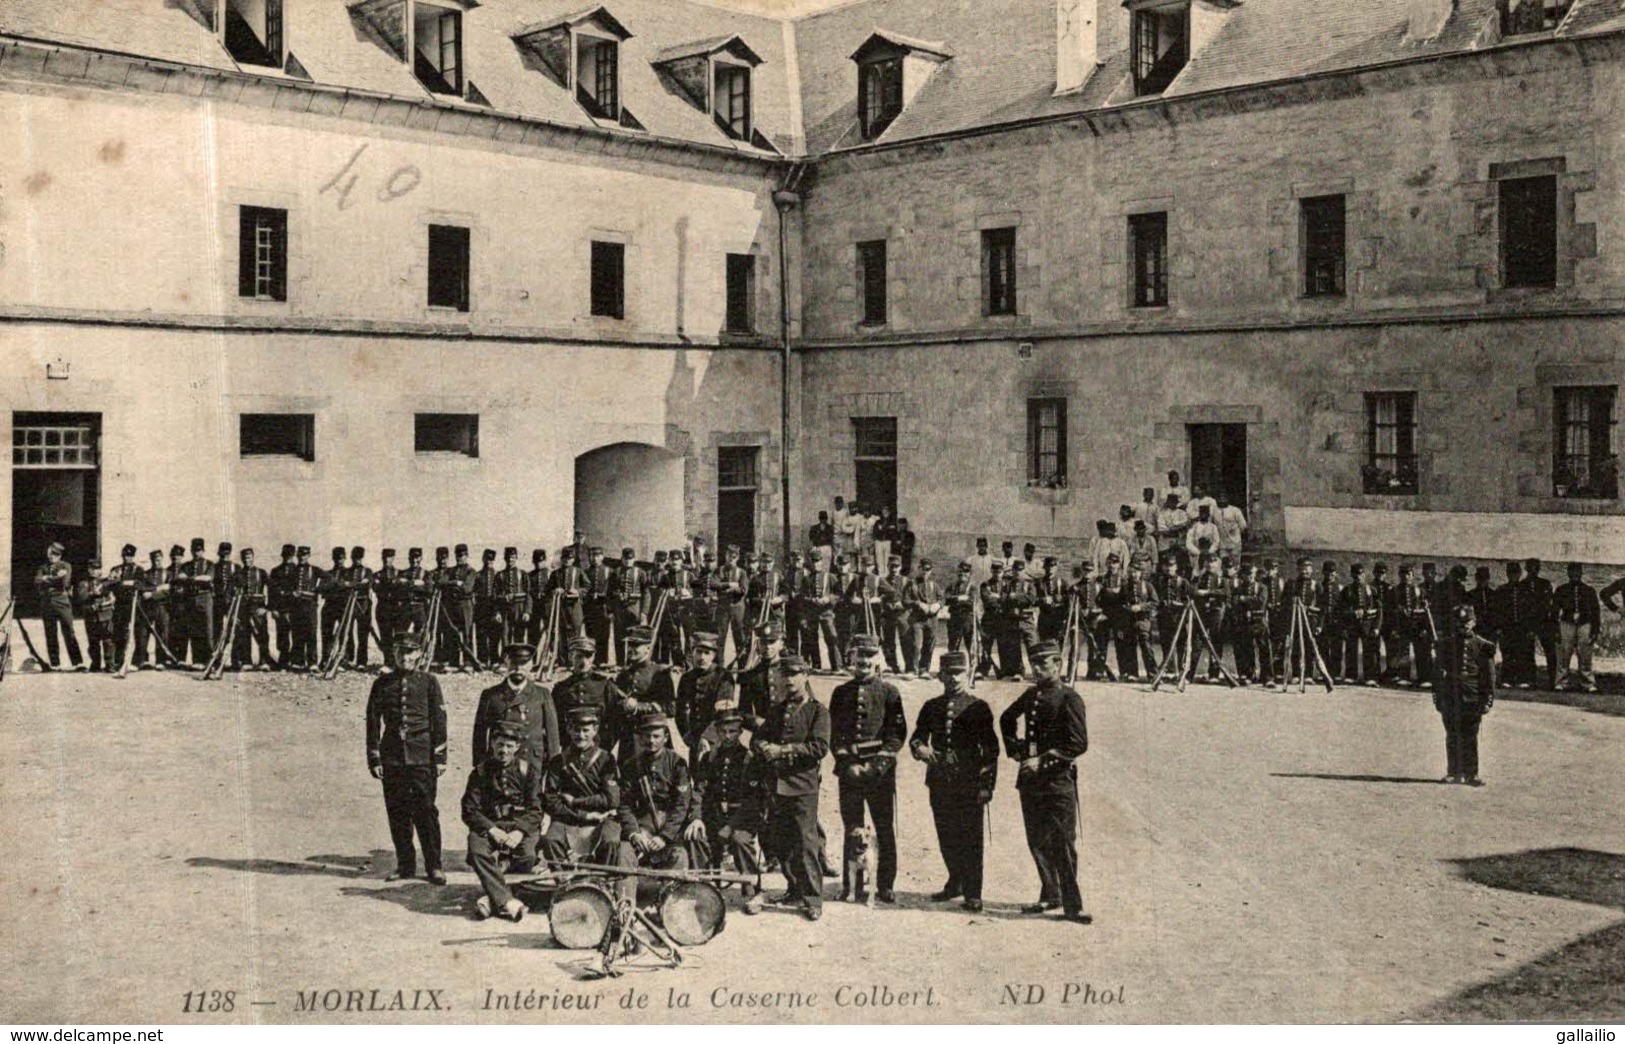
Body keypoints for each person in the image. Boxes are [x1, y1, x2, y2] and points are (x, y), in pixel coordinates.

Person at [999, 641, 1091, 924]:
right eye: (1033, 664)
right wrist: (1017, 750)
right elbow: (1006, 719)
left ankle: (1073, 906)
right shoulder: (1031, 695)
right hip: (1031, 782)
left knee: (1062, 842)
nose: (1037, 669)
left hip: (1057, 781)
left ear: (1057, 665)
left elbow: (1078, 743)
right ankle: (1050, 894)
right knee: (1037, 840)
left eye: (1043, 664)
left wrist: (1042, 759)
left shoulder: (1069, 698)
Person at [909, 651, 998, 912]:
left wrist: (986, 786)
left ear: (968, 673)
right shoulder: (931, 707)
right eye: (949, 673)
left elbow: (991, 751)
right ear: (940, 675)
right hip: (939, 780)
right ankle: (955, 881)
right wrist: (920, 749)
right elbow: (916, 738)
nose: (954, 678)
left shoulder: (978, 707)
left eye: (960, 672)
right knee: (946, 833)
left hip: (968, 783)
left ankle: (973, 892)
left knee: (970, 836)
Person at [829, 635, 907, 904]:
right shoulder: (840, 693)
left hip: (879, 775)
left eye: (869, 656)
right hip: (849, 773)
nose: (863, 661)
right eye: (859, 655)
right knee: (852, 827)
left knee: (883, 827)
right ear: (851, 658)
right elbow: (834, 734)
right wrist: (848, 764)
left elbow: (897, 735)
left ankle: (885, 884)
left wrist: (875, 767)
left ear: (878, 660)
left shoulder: (889, 693)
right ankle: (852, 885)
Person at [753, 654, 830, 921]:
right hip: (776, 786)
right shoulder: (777, 710)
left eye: (795, 674)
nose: (789, 680)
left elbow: (819, 747)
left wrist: (782, 751)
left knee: (806, 842)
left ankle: (813, 898)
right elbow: (758, 738)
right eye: (785, 675)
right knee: (781, 840)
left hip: (802, 786)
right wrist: (763, 747)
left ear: (805, 676)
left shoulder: (817, 711)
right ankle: (793, 889)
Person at [365, 635, 448, 884]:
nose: (405, 658)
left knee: (426, 812)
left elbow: (439, 720)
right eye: (401, 652)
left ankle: (434, 866)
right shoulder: (382, 683)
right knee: (398, 812)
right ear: (394, 654)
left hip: (422, 755)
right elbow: (372, 722)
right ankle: (405, 865)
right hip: (392, 757)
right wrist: (375, 758)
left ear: (419, 655)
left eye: (411, 653)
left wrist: (440, 755)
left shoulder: (429, 682)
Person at [688, 709, 767, 914]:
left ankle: (752, 891)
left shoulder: (750, 760)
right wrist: (696, 818)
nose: (728, 736)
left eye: (733, 731)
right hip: (715, 815)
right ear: (717, 731)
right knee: (698, 836)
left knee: (739, 839)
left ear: (741, 732)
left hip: (742, 818)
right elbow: (699, 790)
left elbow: (753, 801)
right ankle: (705, 888)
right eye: (723, 731)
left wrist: (731, 826)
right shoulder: (709, 758)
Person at [462, 722, 543, 921]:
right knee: (477, 850)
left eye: (509, 746)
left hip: (518, 825)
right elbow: (469, 810)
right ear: (492, 744)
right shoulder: (480, 772)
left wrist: (520, 831)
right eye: (499, 745)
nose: (503, 750)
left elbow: (536, 810)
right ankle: (508, 901)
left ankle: (492, 897)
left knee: (527, 855)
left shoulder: (528, 771)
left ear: (517, 747)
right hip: (491, 825)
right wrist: (491, 829)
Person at [617, 710, 697, 903]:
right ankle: (625, 905)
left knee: (680, 856)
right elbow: (625, 805)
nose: (651, 741)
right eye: (646, 736)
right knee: (624, 852)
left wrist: (665, 836)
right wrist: (635, 833)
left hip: (670, 829)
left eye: (656, 736)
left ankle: (671, 906)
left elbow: (681, 804)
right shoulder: (631, 765)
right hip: (643, 828)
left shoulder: (677, 764)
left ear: (665, 737)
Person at [540, 706, 624, 867]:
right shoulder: (558, 761)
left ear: (595, 729)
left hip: (602, 817)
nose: (581, 735)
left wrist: (575, 801)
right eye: (576, 730)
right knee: (551, 840)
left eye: (586, 730)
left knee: (611, 841)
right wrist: (582, 815)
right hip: (569, 818)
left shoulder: (606, 759)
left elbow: (611, 800)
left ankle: (602, 881)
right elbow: (550, 800)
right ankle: (565, 881)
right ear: (568, 730)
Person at [1433, 592, 1496, 786]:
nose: (1463, 626)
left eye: (1467, 622)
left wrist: (1488, 700)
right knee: (1452, 735)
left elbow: (1489, 676)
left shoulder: (1483, 646)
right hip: (1451, 695)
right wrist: (1437, 696)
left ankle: (1471, 773)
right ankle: (1453, 772)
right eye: (1459, 623)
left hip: (1472, 696)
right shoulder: (1445, 645)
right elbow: (1437, 673)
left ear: (1474, 622)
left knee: (1470, 736)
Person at [472, 643, 560, 769]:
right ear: (506, 664)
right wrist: (480, 765)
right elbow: (479, 734)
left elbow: (553, 735)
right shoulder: (491, 695)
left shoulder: (542, 694)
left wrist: (554, 767)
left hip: (533, 763)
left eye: (523, 664)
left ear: (530, 665)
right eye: (514, 664)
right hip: (501, 761)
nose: (518, 669)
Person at [551, 635, 628, 752]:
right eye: (579, 656)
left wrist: (607, 744)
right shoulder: (561, 688)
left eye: (588, 656)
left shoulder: (605, 685)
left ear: (593, 657)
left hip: (599, 748)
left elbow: (616, 719)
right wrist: (565, 742)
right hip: (570, 747)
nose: (584, 661)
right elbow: (556, 721)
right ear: (570, 656)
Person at [675, 632, 737, 763]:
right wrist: (686, 735)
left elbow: (723, 713)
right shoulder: (687, 678)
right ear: (692, 653)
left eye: (707, 653)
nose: (702, 657)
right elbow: (679, 711)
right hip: (695, 739)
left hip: (717, 738)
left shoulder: (723, 677)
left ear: (714, 655)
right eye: (698, 652)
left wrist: (707, 738)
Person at [1552, 563, 1602, 693]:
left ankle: (1587, 683)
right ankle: (1561, 682)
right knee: (1564, 653)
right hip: (1567, 623)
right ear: (1568, 573)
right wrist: (1556, 630)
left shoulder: (1589, 590)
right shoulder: (1561, 590)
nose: (1575, 574)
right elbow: (1555, 611)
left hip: (1584, 623)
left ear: (1581, 573)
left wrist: (1595, 630)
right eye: (1572, 572)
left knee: (1585, 654)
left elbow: (1595, 612)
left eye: (1577, 572)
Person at [33, 542, 84, 670]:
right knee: (50, 633)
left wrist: (46, 579)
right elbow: (36, 580)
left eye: (56, 554)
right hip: (47, 603)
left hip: (62, 602)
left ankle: (77, 662)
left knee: (69, 631)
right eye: (50, 554)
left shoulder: (66, 565)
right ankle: (55, 663)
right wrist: (52, 577)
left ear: (60, 555)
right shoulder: (43, 567)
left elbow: (64, 582)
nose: (52, 557)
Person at [1386, 564, 1431, 687]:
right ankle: (1404, 676)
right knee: (1403, 651)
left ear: (1412, 576)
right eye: (1403, 574)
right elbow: (1389, 612)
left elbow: (1426, 611)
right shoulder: (1393, 591)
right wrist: (1394, 627)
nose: (1406, 576)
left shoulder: (1419, 591)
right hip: (1401, 626)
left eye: (1408, 574)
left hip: (1417, 625)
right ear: (1400, 575)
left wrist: (1424, 628)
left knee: (1421, 651)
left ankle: (1424, 678)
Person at [1337, 563, 1381, 686]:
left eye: (1361, 574)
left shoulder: (1372, 590)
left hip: (1368, 625)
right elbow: (1341, 610)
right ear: (1351, 575)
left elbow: (1379, 610)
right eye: (1356, 574)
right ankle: (1351, 675)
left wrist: (1376, 627)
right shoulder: (1347, 590)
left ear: (1365, 574)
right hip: (1352, 625)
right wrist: (1350, 617)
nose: (1358, 577)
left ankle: (1370, 677)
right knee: (1351, 650)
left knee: (1369, 651)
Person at [232, 548, 274, 670]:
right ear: (241, 559)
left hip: (258, 608)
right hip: (242, 608)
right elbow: (230, 593)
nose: (247, 560)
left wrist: (267, 608)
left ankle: (264, 661)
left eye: (249, 558)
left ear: (253, 558)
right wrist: (233, 612)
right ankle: (247, 661)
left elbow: (273, 590)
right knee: (244, 634)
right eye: (245, 558)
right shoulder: (237, 574)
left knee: (262, 634)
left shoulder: (261, 573)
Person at [801, 552, 844, 673]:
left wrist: (828, 599)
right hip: (812, 613)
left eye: (818, 561)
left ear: (822, 562)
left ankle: (836, 666)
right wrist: (811, 599)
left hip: (827, 612)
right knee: (812, 639)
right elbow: (802, 596)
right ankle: (816, 665)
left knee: (831, 638)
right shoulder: (806, 579)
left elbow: (839, 594)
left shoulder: (830, 577)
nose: (816, 564)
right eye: (813, 561)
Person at [1519, 558, 1558, 690]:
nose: (1533, 571)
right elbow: (1522, 607)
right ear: (1527, 569)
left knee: (1550, 652)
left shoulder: (1545, 584)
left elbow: (1549, 604)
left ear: (1539, 569)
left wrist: (1553, 623)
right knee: (1528, 652)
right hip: (1529, 623)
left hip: (1544, 622)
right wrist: (1527, 625)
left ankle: (1553, 680)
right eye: (1531, 568)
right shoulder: (1521, 585)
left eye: (1536, 568)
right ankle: (1530, 680)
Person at [178, 538, 216, 667]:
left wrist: (191, 579)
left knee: (207, 629)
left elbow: (208, 578)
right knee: (194, 629)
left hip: (205, 597)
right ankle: (197, 660)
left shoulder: (209, 564)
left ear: (203, 551)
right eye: (194, 550)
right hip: (191, 598)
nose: (196, 553)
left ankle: (209, 661)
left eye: (199, 550)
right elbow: (180, 577)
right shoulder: (186, 565)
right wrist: (194, 579)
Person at [1232, 561, 1272, 685]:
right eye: (1246, 574)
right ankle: (1249, 675)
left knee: (1264, 649)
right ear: (1242, 576)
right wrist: (1243, 601)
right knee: (1246, 649)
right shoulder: (1238, 588)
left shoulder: (1262, 587)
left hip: (1259, 621)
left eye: (1251, 574)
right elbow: (1235, 603)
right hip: (1245, 622)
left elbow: (1260, 601)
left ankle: (1268, 677)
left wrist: (1244, 599)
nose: (1249, 577)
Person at [1120, 560, 1160, 682]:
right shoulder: (1125, 587)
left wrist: (1141, 607)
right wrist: (1128, 608)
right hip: (1129, 621)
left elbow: (1155, 602)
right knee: (1130, 647)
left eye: (1136, 572)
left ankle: (1153, 674)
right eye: (1131, 572)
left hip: (1143, 621)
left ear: (1140, 573)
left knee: (1146, 647)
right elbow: (1120, 604)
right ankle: (1133, 673)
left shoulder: (1147, 586)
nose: (1134, 574)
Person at [72, 558, 115, 672]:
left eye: (98, 569)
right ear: (89, 570)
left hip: (105, 614)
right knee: (93, 642)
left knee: (108, 641)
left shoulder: (106, 582)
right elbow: (81, 597)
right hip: (91, 616)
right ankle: (95, 664)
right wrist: (92, 593)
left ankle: (110, 664)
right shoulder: (83, 583)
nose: (95, 571)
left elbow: (113, 592)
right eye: (93, 569)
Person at [108, 544, 145, 672]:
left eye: (129, 555)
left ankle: (137, 661)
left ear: (133, 556)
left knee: (137, 634)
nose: (127, 558)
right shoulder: (116, 569)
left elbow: (141, 584)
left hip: (134, 605)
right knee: (120, 634)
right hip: (120, 605)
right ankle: (119, 661)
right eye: (125, 555)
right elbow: (111, 583)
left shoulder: (138, 569)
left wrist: (126, 583)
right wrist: (125, 584)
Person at [135, 549, 173, 670]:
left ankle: (160, 661)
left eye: (159, 559)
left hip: (162, 607)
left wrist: (152, 594)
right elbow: (141, 588)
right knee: (143, 633)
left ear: (162, 559)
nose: (157, 562)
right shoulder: (146, 574)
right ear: (151, 560)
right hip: (148, 608)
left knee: (162, 633)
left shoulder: (168, 573)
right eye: (154, 560)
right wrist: (158, 588)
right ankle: (142, 660)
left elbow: (168, 591)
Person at [905, 559, 943, 678]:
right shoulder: (911, 584)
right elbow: (905, 600)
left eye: (928, 569)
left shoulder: (934, 585)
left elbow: (942, 598)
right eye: (923, 569)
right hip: (917, 619)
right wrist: (918, 604)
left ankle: (924, 669)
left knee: (929, 645)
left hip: (932, 620)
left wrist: (938, 605)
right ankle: (912, 670)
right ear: (919, 568)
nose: (925, 572)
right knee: (916, 644)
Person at [877, 555, 911, 674]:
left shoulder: (906, 581)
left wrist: (902, 604)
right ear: (887, 567)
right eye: (892, 566)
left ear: (900, 567)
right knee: (888, 642)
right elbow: (878, 596)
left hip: (903, 615)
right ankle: (892, 666)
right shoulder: (882, 581)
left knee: (906, 640)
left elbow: (911, 597)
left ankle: (909, 667)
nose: (894, 569)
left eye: (896, 566)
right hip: (888, 615)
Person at [268, 544, 298, 669]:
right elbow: (272, 591)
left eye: (290, 556)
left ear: (294, 555)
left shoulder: (298, 570)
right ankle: (283, 660)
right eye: (286, 555)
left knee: (296, 635)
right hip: (280, 607)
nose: (288, 558)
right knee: (282, 635)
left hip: (295, 608)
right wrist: (273, 609)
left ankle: (296, 660)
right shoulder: (275, 571)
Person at [944, 561, 980, 661]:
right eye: (960, 571)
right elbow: (946, 599)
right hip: (954, 618)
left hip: (968, 618)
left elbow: (971, 601)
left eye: (965, 572)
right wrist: (960, 598)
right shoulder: (951, 586)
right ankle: (953, 667)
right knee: (953, 644)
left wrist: (954, 600)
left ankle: (974, 669)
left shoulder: (973, 587)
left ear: (969, 574)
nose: (962, 574)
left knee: (971, 645)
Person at [1215, 493, 1248, 557]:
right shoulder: (1214, 511)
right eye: (1220, 498)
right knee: (1224, 564)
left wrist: (1235, 532)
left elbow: (1243, 525)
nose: (1222, 500)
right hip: (1222, 545)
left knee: (1235, 564)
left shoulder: (1235, 510)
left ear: (1228, 499)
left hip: (1235, 543)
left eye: (1224, 498)